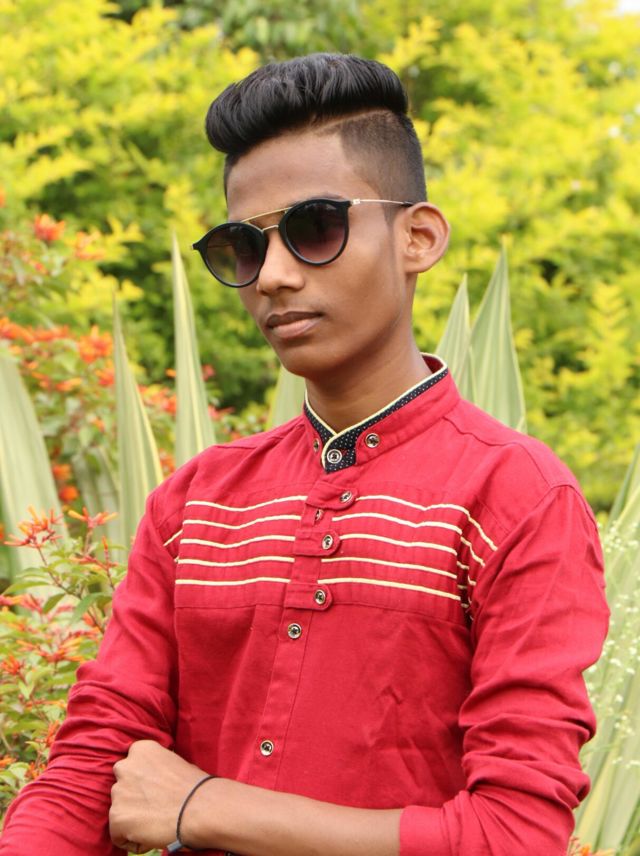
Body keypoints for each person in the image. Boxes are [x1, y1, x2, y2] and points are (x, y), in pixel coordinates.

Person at [0, 53, 608, 856]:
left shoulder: (515, 500)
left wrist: (207, 808)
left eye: (315, 228)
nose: (274, 276)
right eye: (243, 248)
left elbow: (516, 836)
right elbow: (89, 770)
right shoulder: (197, 504)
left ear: (418, 237)